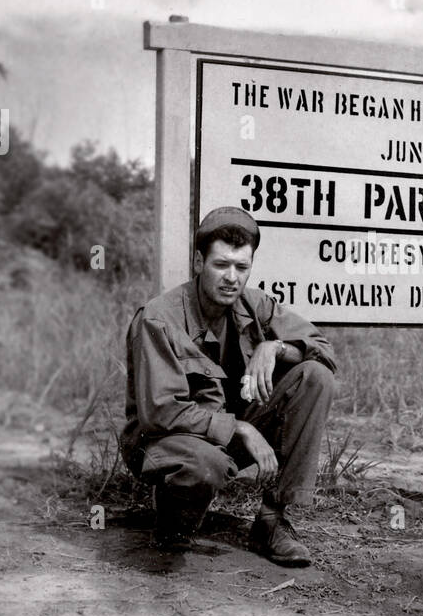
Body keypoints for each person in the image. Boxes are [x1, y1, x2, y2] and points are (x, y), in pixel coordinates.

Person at [120, 207, 337, 567]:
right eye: (221, 265)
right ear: (198, 262)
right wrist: (240, 427)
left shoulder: (255, 305)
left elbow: (325, 352)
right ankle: (174, 519)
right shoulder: (159, 319)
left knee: (314, 376)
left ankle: (271, 521)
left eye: (242, 267)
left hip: (220, 433)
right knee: (205, 466)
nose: (231, 278)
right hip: (163, 441)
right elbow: (160, 411)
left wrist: (275, 348)